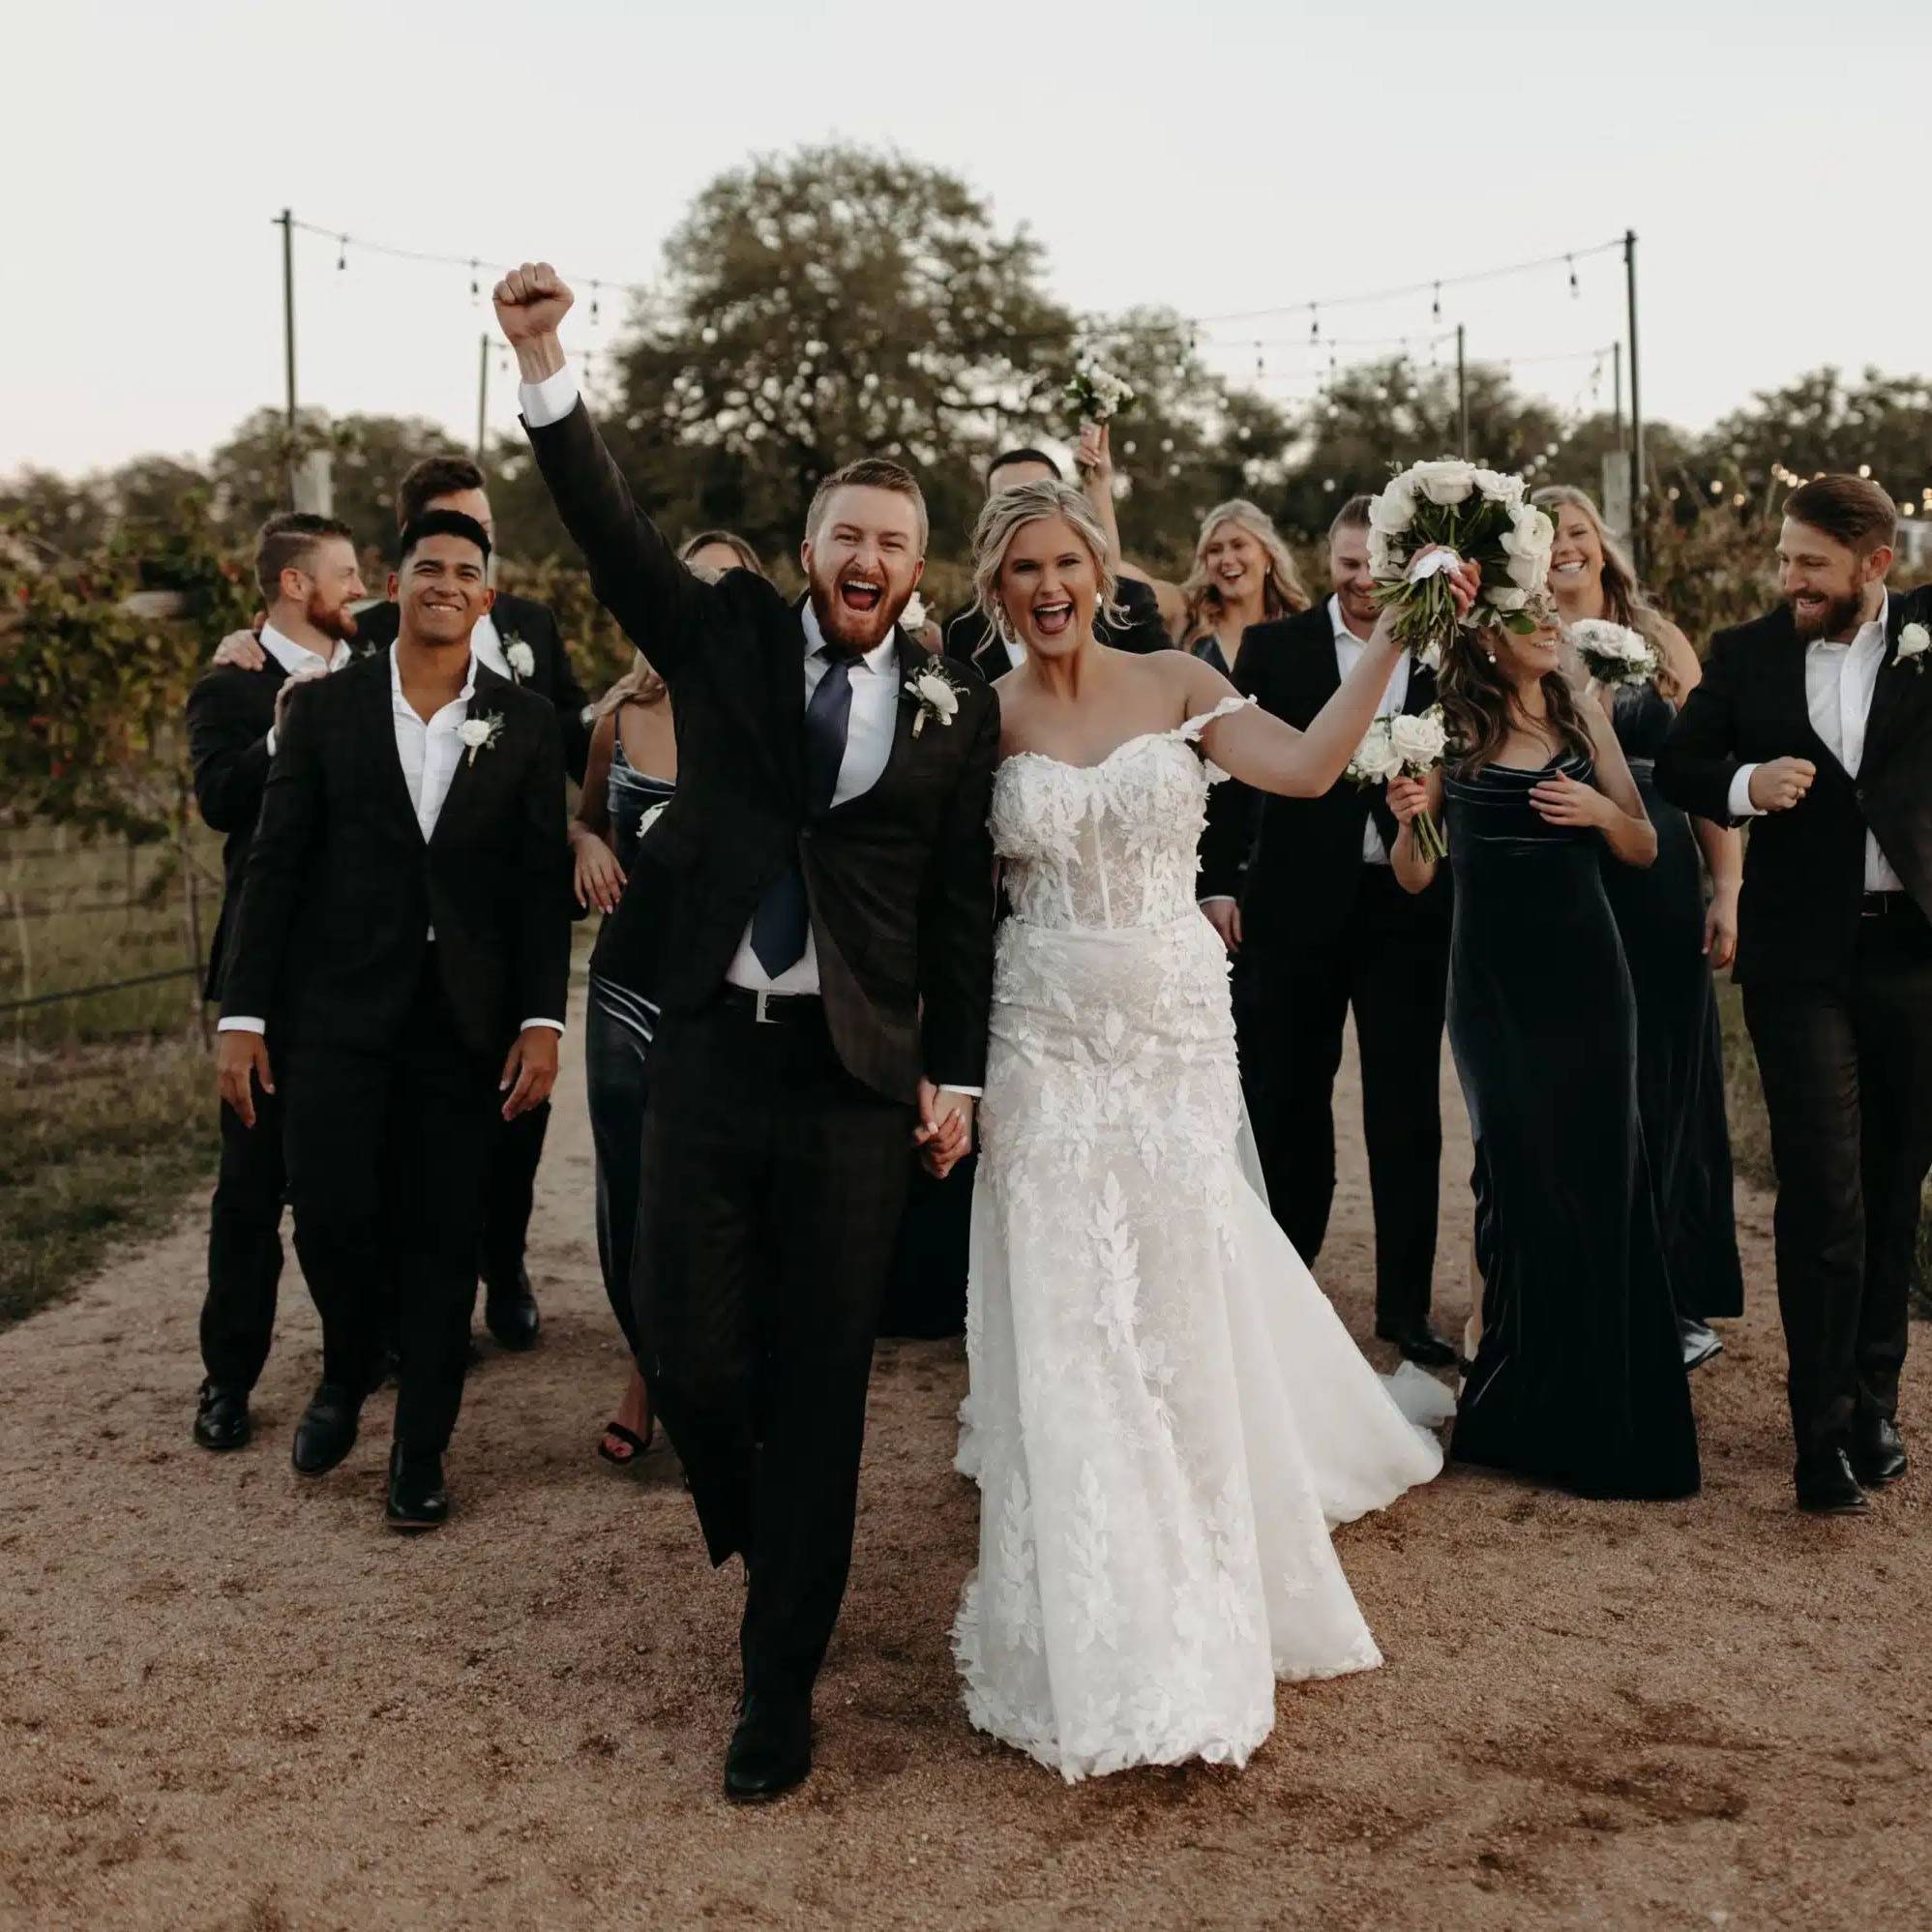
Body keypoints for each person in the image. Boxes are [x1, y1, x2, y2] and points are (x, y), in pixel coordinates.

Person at [497, 260, 998, 1801]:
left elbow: (955, 909)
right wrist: (546, 366)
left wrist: (956, 1072)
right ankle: (760, 1520)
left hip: (850, 1084)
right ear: (807, 550)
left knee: (826, 1389)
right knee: (695, 1355)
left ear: (917, 574)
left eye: (895, 544)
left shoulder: (948, 711)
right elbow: (612, 530)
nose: (869, 558)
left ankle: (776, 1682)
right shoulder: (717, 635)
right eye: (848, 534)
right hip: (711, 1048)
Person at [954, 479, 1452, 1784]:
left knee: (1174, 1301)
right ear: (995, 589)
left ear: (1102, 568)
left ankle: (1203, 1571)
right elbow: (937, 897)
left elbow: (1305, 767)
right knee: (1067, 1313)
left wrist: (1391, 635)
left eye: (1067, 563)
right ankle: (1085, 1615)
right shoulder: (977, 719)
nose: (1049, 588)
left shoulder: (1178, 678)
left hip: (1170, 1032)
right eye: (1023, 571)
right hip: (1042, 1035)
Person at [214, 510, 571, 1531]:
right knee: (328, 1210)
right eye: (428, 567)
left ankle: (419, 1449)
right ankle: (343, 1362)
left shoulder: (527, 720)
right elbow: (274, 869)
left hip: (463, 1025)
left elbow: (539, 884)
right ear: (394, 586)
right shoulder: (321, 711)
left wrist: (542, 1017)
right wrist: (243, 1010)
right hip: (336, 1013)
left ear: (486, 597)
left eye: (466, 570)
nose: (446, 582)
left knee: (443, 1231)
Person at [1657, 475, 1932, 1516]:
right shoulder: (1743, 652)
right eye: (1782, 560)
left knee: (1890, 1181)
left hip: (1914, 955)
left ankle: (1874, 1397)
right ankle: (1815, 1432)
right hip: (1797, 961)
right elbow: (1683, 759)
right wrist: (1743, 784)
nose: (1788, 580)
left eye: (1809, 564)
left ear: (1874, 563)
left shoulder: (1925, 634)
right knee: (1821, 1183)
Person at [1385, 609, 1699, 1502]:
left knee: (1599, 1177)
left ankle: (1604, 1408)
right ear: (1487, 638)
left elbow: (1640, 846)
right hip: (1489, 987)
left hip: (1588, 978)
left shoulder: (1579, 713)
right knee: (1515, 1179)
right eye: (1530, 621)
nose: (1551, 627)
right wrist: (1408, 818)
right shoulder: (1446, 727)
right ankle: (1520, 1406)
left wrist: (1601, 809)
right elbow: (1415, 876)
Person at [1197, 493, 1455, 1366]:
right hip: (1293, 905)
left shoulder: (1443, 655)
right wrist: (1217, 885)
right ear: (1327, 560)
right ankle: (1286, 1281)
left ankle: (1405, 1307)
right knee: (1289, 1098)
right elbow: (1233, 778)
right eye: (1346, 566)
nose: (1358, 585)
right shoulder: (1273, 648)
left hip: (1406, 907)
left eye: (1374, 571)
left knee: (1405, 1109)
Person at [568, 528, 766, 1469]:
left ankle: (693, 1379)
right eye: (696, 584)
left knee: (709, 1190)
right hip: (625, 980)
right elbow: (583, 813)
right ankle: (645, 1368)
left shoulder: (771, 713)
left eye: (731, 586)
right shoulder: (618, 715)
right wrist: (588, 844)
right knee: (626, 1183)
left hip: (723, 988)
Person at [1539, 485, 1744, 1367]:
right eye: (1545, 537)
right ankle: (1583, 1286)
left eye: (1576, 531)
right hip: (1563, 876)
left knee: (1663, 1078)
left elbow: (1708, 778)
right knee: (1581, 1079)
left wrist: (1726, 888)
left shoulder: (1659, 641)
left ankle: (1672, 1294)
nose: (1564, 548)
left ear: (1601, 542)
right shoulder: (1518, 643)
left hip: (1658, 878)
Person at [184, 513, 363, 1451]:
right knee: (250, 1191)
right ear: (296, 585)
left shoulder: (380, 671)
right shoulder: (232, 684)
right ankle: (228, 1377)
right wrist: (281, 734)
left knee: (356, 1182)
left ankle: (357, 1358)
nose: (359, 586)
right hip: (270, 968)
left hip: (366, 971)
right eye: (344, 572)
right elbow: (218, 798)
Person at [942, 446, 1171, 677]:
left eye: (1040, 493)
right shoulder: (960, 631)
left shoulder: (1132, 603)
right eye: (1010, 501)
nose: (1029, 513)